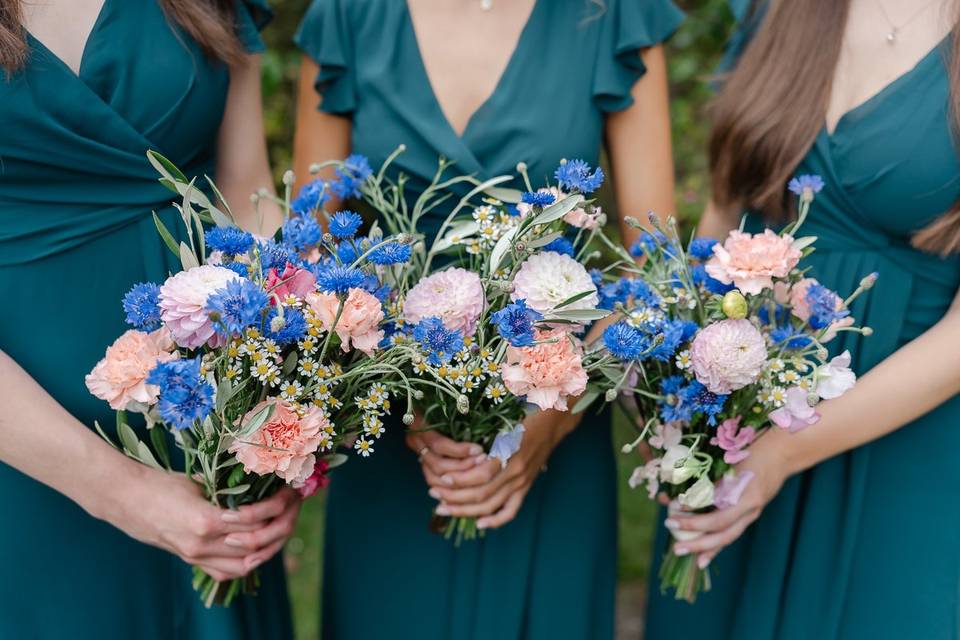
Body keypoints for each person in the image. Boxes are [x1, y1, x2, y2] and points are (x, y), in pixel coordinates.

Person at [293, 0, 683, 637]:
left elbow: (651, 266)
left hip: (555, 431)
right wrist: (405, 386)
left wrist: (548, 426)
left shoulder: (613, 15)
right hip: (390, 437)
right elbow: (308, 256)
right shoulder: (348, 16)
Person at [644, 0, 960, 638]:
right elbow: (721, 218)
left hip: (902, 439)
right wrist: (683, 382)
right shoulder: (780, 8)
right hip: (738, 418)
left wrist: (785, 452)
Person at [0, 1, 298, 637]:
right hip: (27, 460)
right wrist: (120, 491)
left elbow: (249, 195)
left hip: (210, 428)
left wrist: (288, 411)